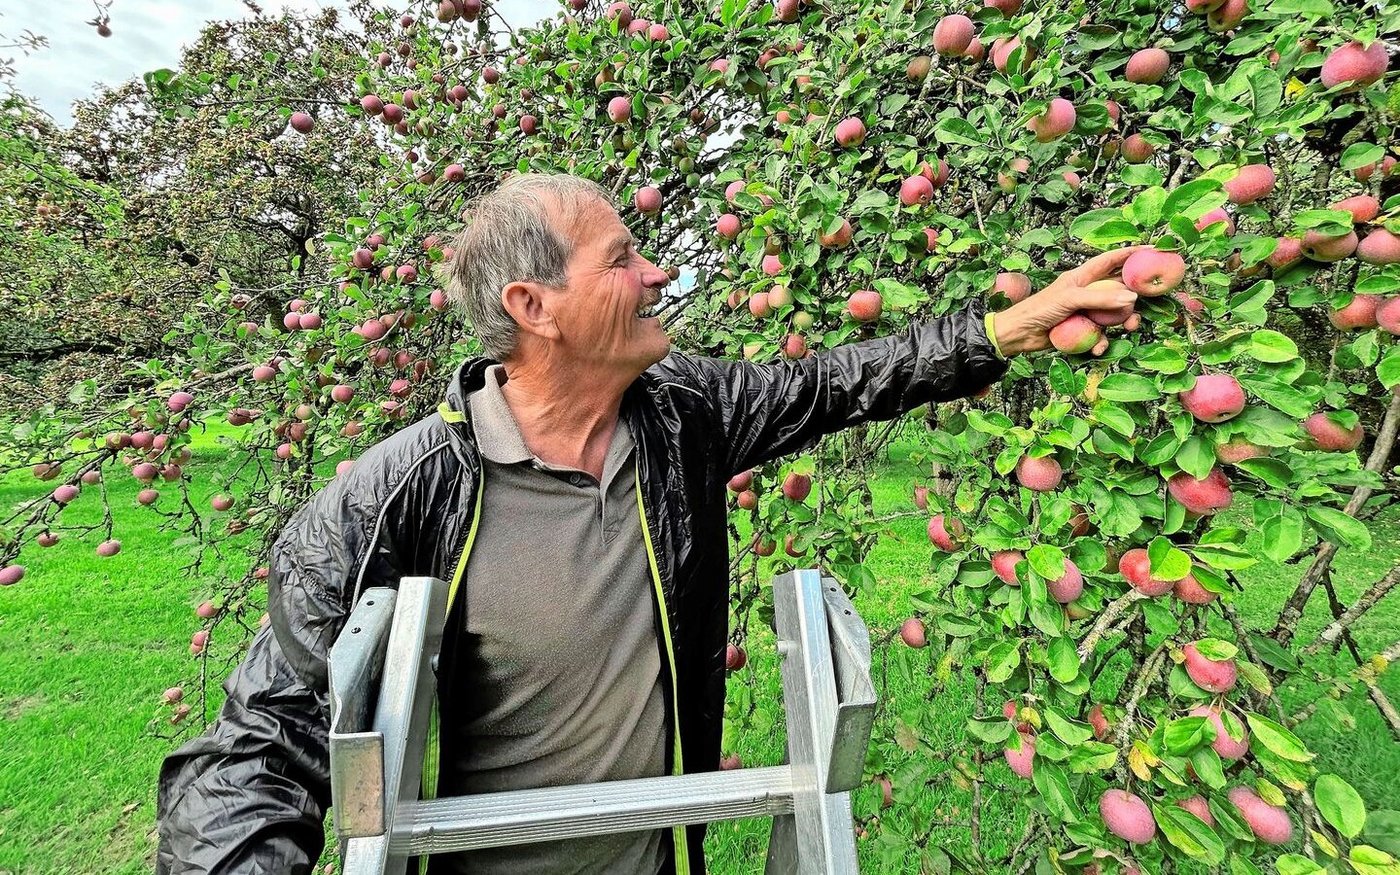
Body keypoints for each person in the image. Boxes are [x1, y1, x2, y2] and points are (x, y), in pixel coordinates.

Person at [155, 173, 1141, 874]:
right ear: (531, 305)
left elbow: (828, 384)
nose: (658, 273)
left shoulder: (682, 414)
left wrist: (1003, 328)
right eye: (622, 259)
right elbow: (256, 739)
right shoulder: (398, 491)